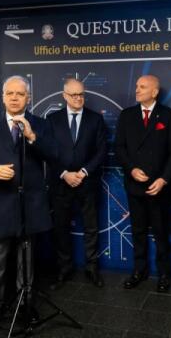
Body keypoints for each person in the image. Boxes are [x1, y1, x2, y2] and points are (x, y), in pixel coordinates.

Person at [0, 75, 54, 333]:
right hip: (0, 205)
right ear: (3, 97)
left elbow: (54, 155)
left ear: (29, 98)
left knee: (26, 261)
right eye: (10, 93)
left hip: (30, 205)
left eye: (20, 93)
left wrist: (31, 136)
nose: (15, 98)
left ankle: (26, 304)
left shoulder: (41, 124)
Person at [115, 74, 171, 293]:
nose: (137, 90)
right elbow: (119, 148)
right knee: (138, 231)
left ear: (154, 92)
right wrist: (132, 169)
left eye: (142, 87)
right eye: (136, 86)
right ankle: (139, 271)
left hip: (159, 188)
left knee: (161, 233)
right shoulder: (127, 115)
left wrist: (163, 179)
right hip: (135, 185)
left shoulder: (169, 116)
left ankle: (164, 274)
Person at [47, 79, 107, 288]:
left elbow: (101, 151)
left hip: (87, 183)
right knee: (61, 228)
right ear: (64, 96)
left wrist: (83, 172)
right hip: (61, 184)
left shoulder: (95, 119)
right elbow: (48, 152)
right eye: (73, 95)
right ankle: (64, 268)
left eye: (81, 94)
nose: (78, 98)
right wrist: (64, 174)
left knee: (91, 227)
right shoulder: (52, 119)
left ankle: (92, 268)